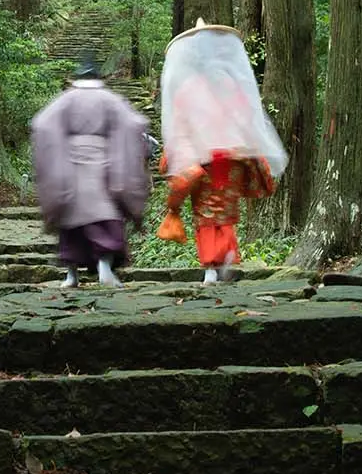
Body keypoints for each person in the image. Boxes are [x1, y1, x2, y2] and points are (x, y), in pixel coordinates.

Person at [156, 21, 288, 283]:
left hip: (202, 161)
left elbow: (181, 126)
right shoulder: (230, 84)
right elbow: (245, 117)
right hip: (232, 159)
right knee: (225, 212)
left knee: (206, 214)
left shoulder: (188, 88)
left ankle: (210, 268)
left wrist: (173, 157)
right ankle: (226, 255)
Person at [30, 58, 152, 287]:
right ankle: (104, 267)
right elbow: (133, 123)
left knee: (72, 226)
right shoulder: (109, 99)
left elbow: (43, 123)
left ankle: (71, 275)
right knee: (104, 219)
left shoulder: (66, 99)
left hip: (70, 168)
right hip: (103, 166)